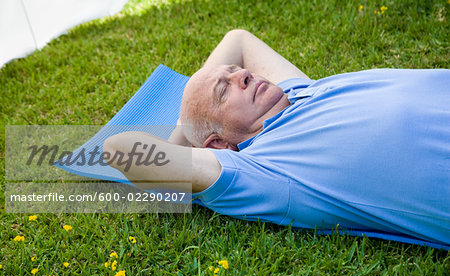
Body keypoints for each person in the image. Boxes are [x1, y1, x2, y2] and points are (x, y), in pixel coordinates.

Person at [104, 29, 450, 248]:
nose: (243, 74)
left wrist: (210, 102)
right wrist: (190, 132)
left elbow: (237, 39)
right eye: (224, 90)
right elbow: (119, 149)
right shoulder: (258, 169)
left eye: (235, 73)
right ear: (218, 144)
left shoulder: (299, 90)